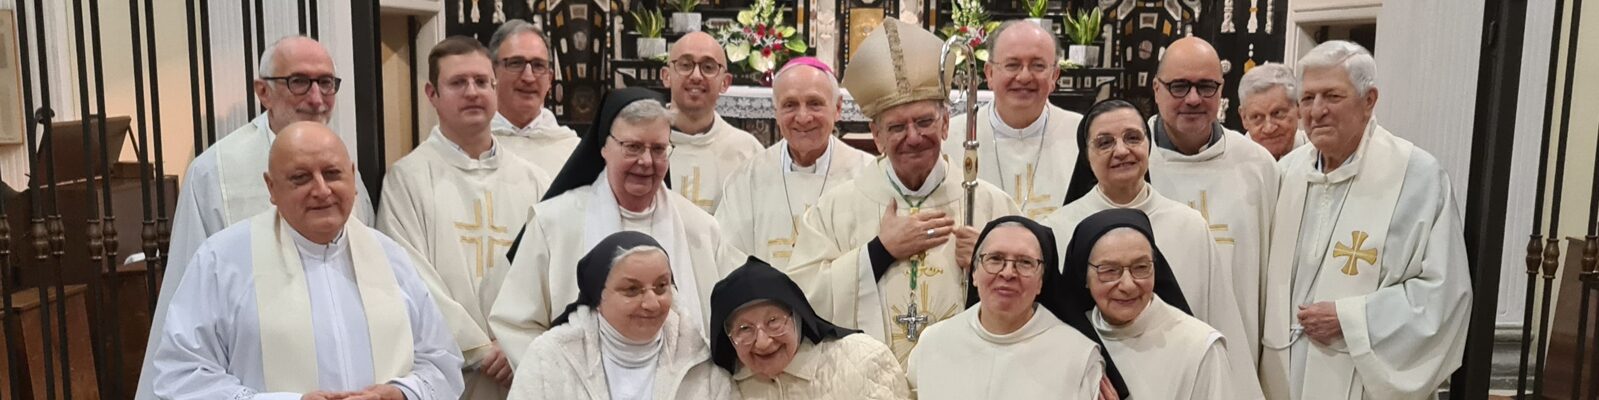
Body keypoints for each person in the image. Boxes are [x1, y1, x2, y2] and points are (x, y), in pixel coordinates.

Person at [137, 35, 378, 400]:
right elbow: (187, 292)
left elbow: (372, 266)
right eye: (299, 82)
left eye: (326, 83)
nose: (316, 98)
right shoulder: (215, 172)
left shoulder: (342, 167)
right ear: (262, 91)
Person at [149, 122, 463, 400]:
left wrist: (398, 394)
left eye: (332, 174)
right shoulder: (222, 260)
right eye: (301, 178)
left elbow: (441, 363)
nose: (322, 190)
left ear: (352, 178)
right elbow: (181, 374)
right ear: (271, 187)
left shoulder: (390, 256)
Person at [786, 19, 1020, 363]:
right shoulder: (838, 207)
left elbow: (1038, 290)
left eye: (924, 121)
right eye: (896, 126)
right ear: (877, 135)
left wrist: (989, 266)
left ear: (944, 124)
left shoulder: (989, 203)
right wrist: (878, 254)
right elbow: (801, 296)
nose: (913, 136)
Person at [1259, 41, 1472, 400]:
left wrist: (1351, 318)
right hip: (1284, 376)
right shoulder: (1286, 173)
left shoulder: (1416, 177)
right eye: (1308, 99)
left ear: (1369, 100)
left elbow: (1442, 296)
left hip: (1361, 378)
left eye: (1332, 96)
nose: (1317, 111)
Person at [491, 88, 745, 366]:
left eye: (658, 149)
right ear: (604, 147)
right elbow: (516, 323)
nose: (646, 161)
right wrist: (563, 382)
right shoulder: (554, 222)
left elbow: (734, 315)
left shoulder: (700, 228)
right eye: (633, 147)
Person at [1042, 99, 1261, 397]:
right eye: (1104, 142)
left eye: (1133, 138)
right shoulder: (1057, 228)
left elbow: (1218, 316)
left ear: (1148, 147)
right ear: (1086, 155)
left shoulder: (1189, 225)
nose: (1121, 151)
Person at [377, 36, 552, 399]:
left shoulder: (534, 180)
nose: (472, 92)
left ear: (495, 88)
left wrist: (517, 344)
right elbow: (409, 278)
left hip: (522, 371)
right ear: (432, 94)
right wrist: (480, 348)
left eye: (481, 81)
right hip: (446, 373)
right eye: (458, 83)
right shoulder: (407, 178)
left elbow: (550, 272)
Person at [1145, 37, 1279, 367]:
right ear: (1156, 89)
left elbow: (1275, 280)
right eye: (1179, 86)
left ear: (1221, 91)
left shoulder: (1257, 165)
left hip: (1238, 353)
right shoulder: (1132, 161)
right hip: (1150, 355)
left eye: (1206, 86)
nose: (1194, 99)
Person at [507, 231, 736, 399]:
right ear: (598, 297)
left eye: (661, 286)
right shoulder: (551, 357)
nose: (651, 303)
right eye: (632, 290)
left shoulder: (700, 361)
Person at [907, 216, 1108, 399]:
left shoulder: (1078, 356)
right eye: (995, 259)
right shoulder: (933, 342)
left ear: (1041, 282)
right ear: (974, 273)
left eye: (1025, 262)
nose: (1008, 273)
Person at [1062, 208, 1237, 399]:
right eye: (1110, 270)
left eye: (1141, 267)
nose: (1128, 285)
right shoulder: (1068, 342)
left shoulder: (1200, 347)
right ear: (1084, 276)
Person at [715, 57, 872, 269]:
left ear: (837, 108)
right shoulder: (747, 180)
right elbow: (728, 257)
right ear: (776, 112)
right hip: (765, 301)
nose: (803, 117)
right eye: (790, 105)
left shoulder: (866, 175)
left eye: (815, 103)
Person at [709, 257, 910, 399]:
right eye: (744, 329)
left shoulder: (864, 360)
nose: (762, 342)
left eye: (773, 321)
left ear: (798, 315)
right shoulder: (724, 387)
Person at [942, 21, 1083, 219]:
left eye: (1038, 65)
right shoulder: (952, 138)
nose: (1024, 77)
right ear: (989, 74)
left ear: (1054, 76)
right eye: (1012, 65)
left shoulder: (1082, 135)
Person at [662, 32, 765, 213]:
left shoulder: (747, 151)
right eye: (685, 65)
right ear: (666, 76)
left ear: (725, 82)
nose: (696, 76)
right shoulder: (644, 145)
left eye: (708, 67)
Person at [488, 21, 581, 174]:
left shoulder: (573, 153)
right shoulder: (470, 145)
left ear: (550, 79)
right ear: (492, 73)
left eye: (538, 65)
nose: (528, 77)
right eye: (516, 63)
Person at [1237, 63, 1309, 160]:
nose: (1269, 128)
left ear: (1299, 107)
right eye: (1257, 117)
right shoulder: (1231, 161)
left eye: (1278, 113)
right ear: (1244, 118)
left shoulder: (1321, 154)